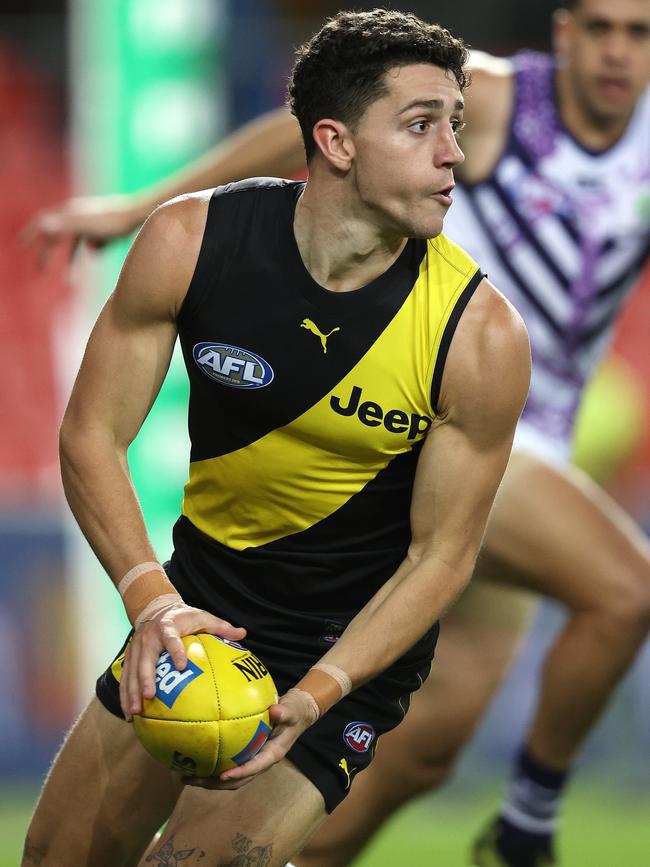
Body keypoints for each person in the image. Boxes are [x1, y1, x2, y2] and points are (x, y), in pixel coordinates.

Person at [25, 2, 650, 865]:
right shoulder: (193, 240)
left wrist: (320, 695)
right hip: (196, 611)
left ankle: (523, 824)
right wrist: (150, 601)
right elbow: (91, 434)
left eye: (456, 127)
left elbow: (440, 559)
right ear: (338, 143)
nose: (454, 154)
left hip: (340, 651)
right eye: (423, 126)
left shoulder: (480, 337)